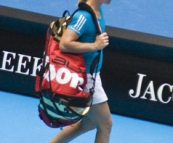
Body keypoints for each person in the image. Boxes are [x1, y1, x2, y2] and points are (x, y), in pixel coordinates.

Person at [49, 0, 112, 143]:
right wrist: (95, 45)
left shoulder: (97, 11)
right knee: (105, 125)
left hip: (93, 74)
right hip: (86, 78)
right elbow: (65, 44)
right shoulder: (84, 17)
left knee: (88, 123)